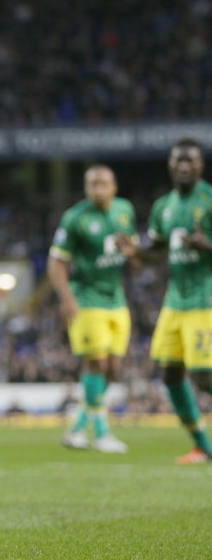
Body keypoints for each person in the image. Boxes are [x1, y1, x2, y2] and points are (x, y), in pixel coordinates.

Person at [116, 139, 212, 464]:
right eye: (179, 161)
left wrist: (207, 246)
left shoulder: (209, 200)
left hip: (205, 300)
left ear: (201, 165)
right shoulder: (163, 207)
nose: (184, 167)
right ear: (171, 165)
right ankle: (203, 446)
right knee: (170, 373)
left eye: (191, 161)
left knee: (204, 377)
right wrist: (135, 252)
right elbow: (157, 251)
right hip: (174, 303)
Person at [48, 165, 135, 453]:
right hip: (86, 299)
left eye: (103, 184)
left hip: (116, 299)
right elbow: (57, 261)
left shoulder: (125, 211)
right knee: (95, 363)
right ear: (86, 188)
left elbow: (133, 253)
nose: (98, 189)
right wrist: (67, 297)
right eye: (92, 184)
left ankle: (76, 428)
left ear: (115, 187)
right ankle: (101, 433)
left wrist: (132, 252)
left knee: (113, 368)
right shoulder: (75, 218)